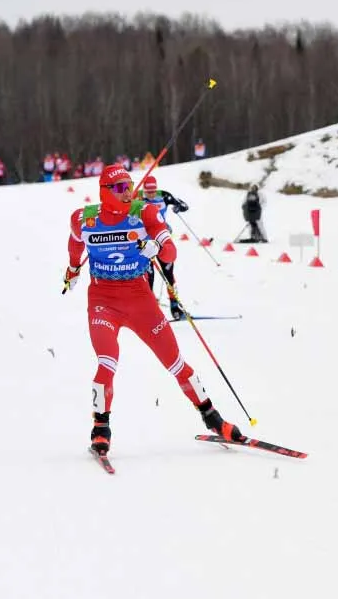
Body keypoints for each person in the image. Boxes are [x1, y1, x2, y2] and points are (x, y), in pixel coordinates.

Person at [62, 164, 244, 458]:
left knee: (176, 363)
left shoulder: (143, 213)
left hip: (139, 299)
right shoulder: (84, 219)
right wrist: (71, 271)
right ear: (104, 192)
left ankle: (214, 420)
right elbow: (74, 246)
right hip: (103, 301)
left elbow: (171, 251)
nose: (126, 193)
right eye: (120, 188)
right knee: (107, 361)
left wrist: (155, 247)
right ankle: (100, 429)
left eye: (128, 186)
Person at [141, 175, 189, 320]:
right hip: (146, 244)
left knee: (168, 274)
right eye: (148, 192)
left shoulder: (164, 196)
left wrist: (178, 207)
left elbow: (184, 205)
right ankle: (149, 310)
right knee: (148, 277)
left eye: (153, 191)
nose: (151, 194)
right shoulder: (137, 198)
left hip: (162, 241)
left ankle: (175, 306)